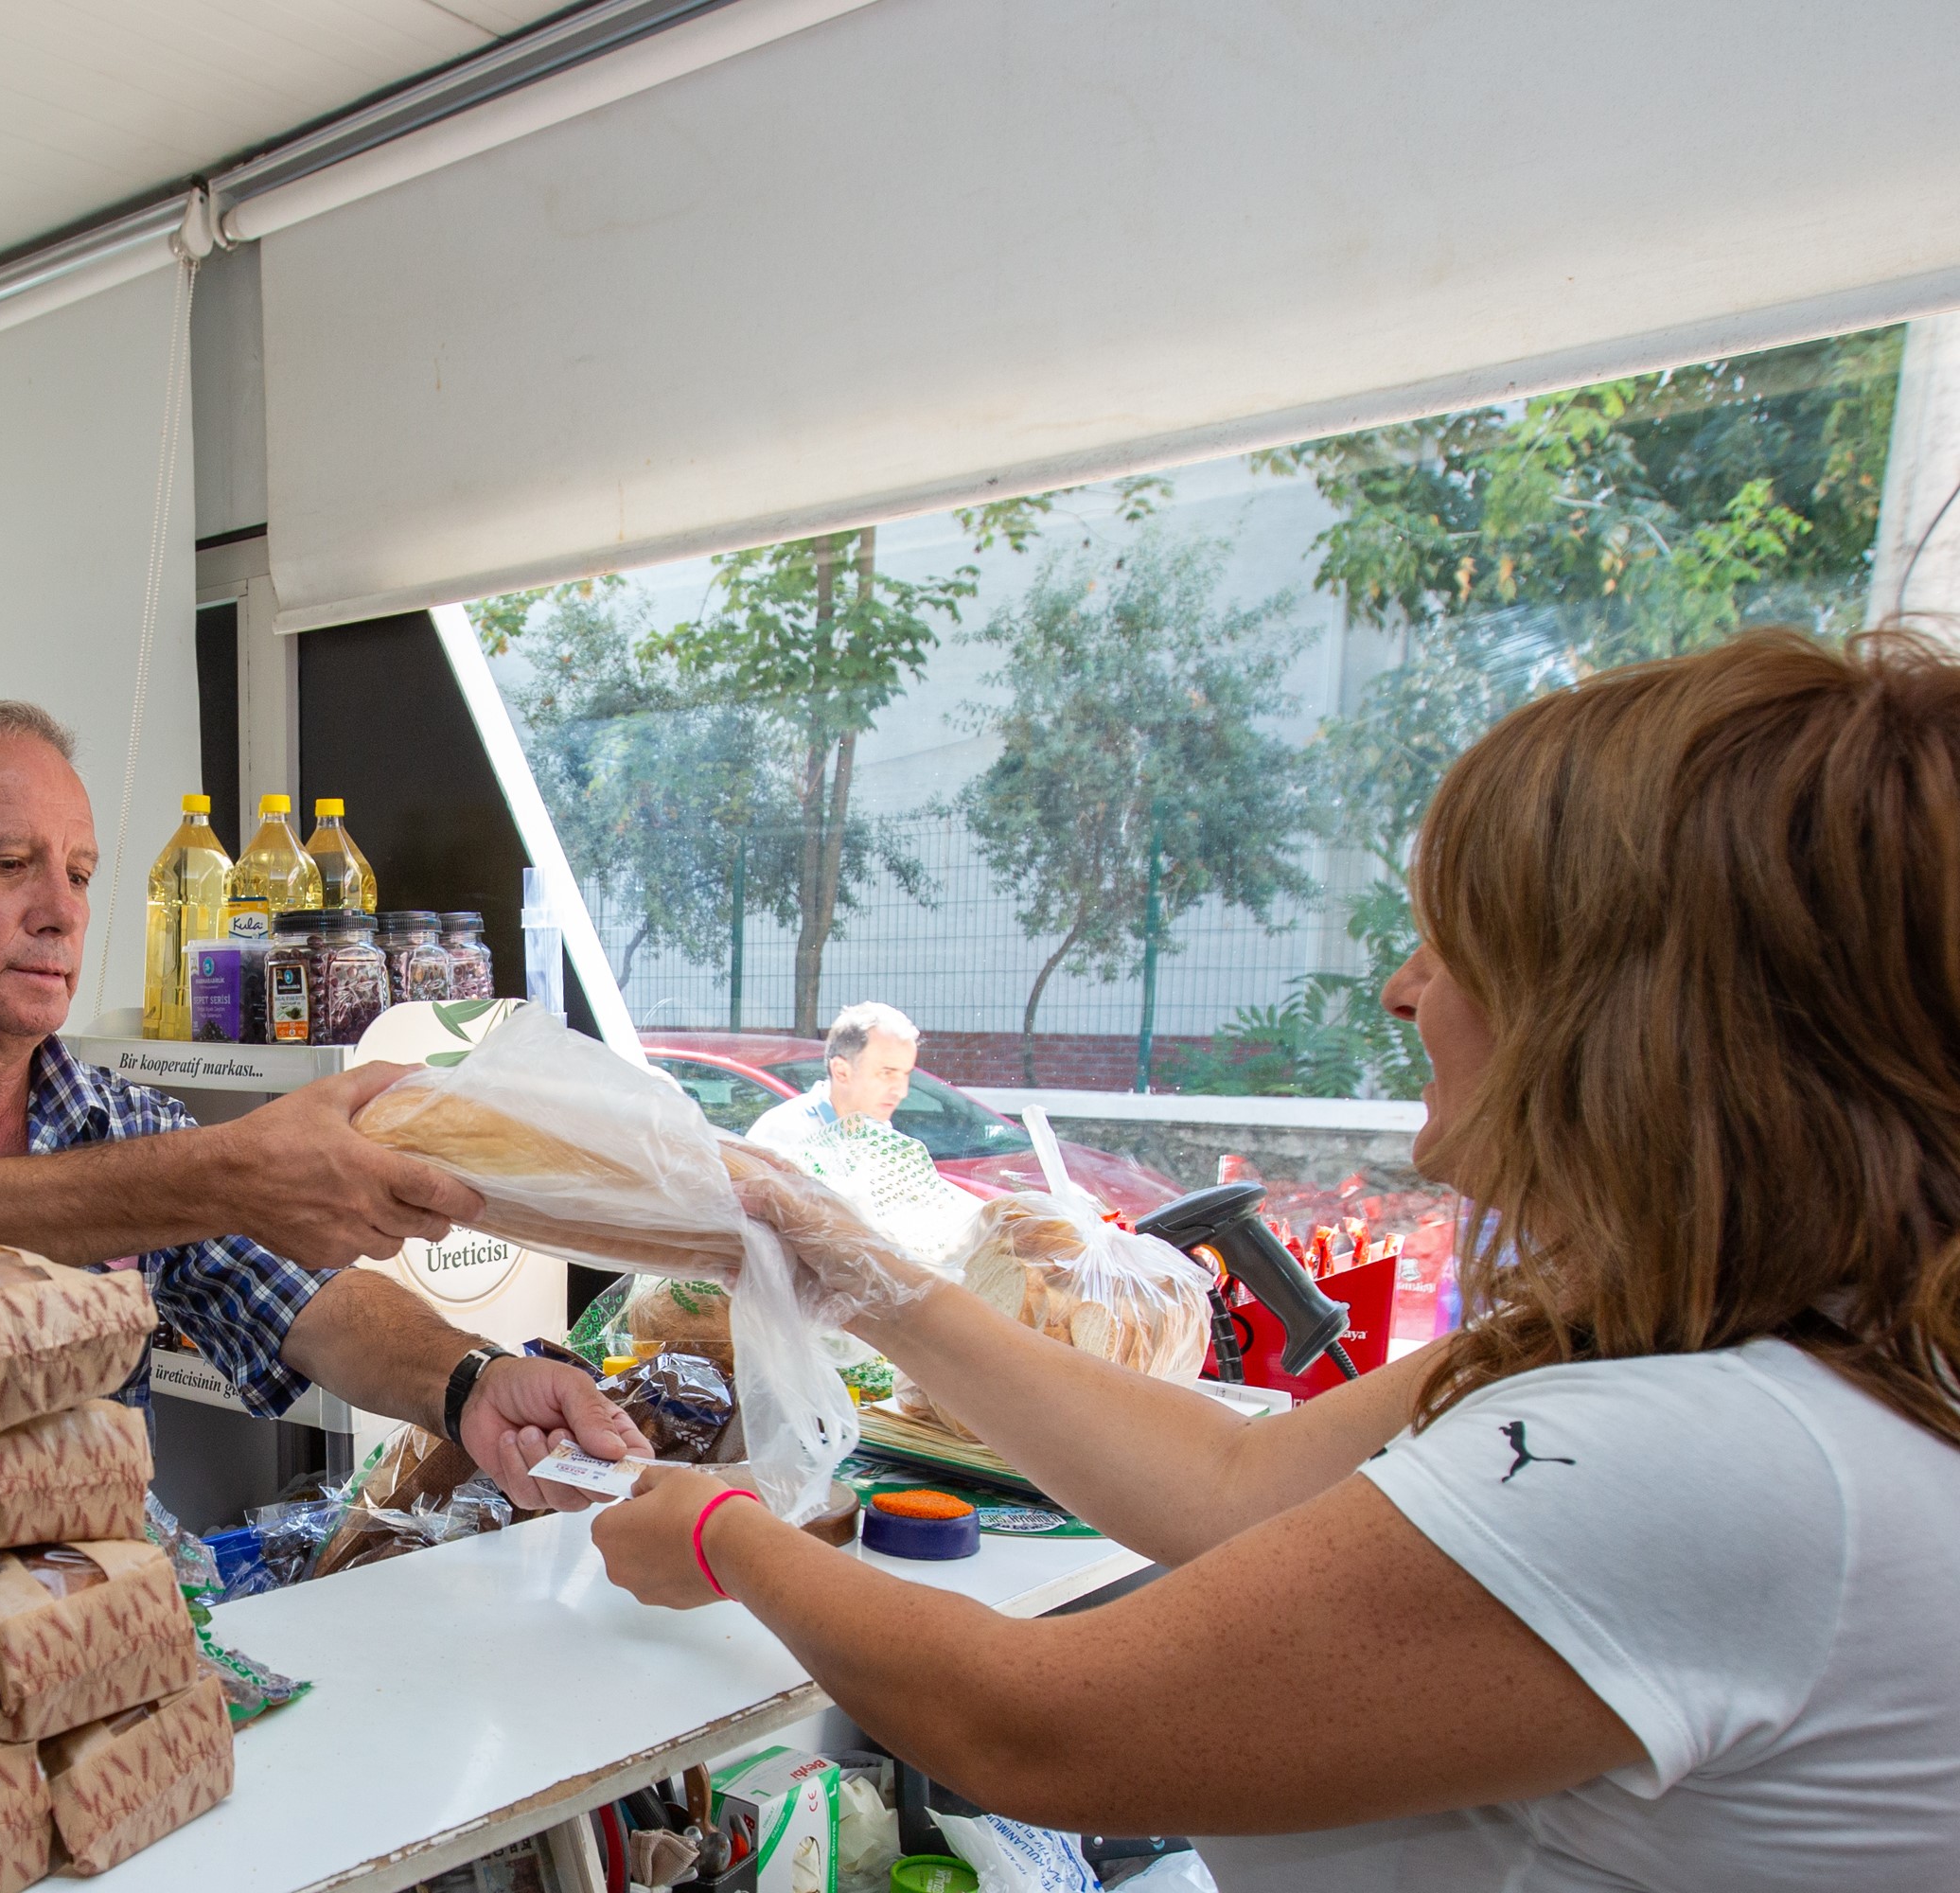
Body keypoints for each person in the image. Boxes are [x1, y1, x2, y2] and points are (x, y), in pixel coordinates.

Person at [593, 628, 1960, 1887]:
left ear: (1627, 1014)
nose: (1401, 987)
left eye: (1462, 940)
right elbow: (1231, 1483)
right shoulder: (1711, 1343)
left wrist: (728, 1543)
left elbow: (1031, 1725)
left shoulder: (1717, 1452)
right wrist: (854, 1269)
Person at [0, 700, 645, 1511]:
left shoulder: (123, 1120)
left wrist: (473, 1379)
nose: (61, 911)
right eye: (10, 862)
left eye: (78, 872)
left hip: (90, 1623)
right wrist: (236, 1169)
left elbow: (314, 1304)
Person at [746, 1000, 919, 1153]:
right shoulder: (784, 1135)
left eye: (905, 1074)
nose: (902, 1091)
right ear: (841, 1071)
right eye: (886, 1073)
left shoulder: (881, 1136)